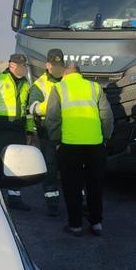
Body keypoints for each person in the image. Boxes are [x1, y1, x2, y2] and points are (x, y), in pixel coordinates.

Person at [46, 62, 114, 236]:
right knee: (95, 185)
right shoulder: (95, 87)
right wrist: (105, 138)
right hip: (95, 145)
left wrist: (56, 141)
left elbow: (52, 117)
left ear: (65, 74)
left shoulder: (58, 87)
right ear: (80, 74)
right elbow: (106, 116)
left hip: (69, 145)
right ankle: (96, 223)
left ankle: (75, 225)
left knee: (72, 187)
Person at [0, 53, 32, 211]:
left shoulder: (26, 85)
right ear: (12, 66)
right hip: (0, 128)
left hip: (19, 129)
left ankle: (15, 199)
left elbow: (28, 111)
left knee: (17, 165)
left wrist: (29, 131)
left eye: (25, 66)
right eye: (21, 66)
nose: (24, 69)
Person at [27, 48, 66, 216]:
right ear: (47, 65)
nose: (57, 68)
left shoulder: (68, 81)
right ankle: (52, 203)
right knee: (50, 169)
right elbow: (33, 108)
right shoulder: (39, 85)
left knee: (72, 168)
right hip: (48, 133)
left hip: (68, 132)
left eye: (60, 65)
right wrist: (52, 106)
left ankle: (80, 202)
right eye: (54, 65)